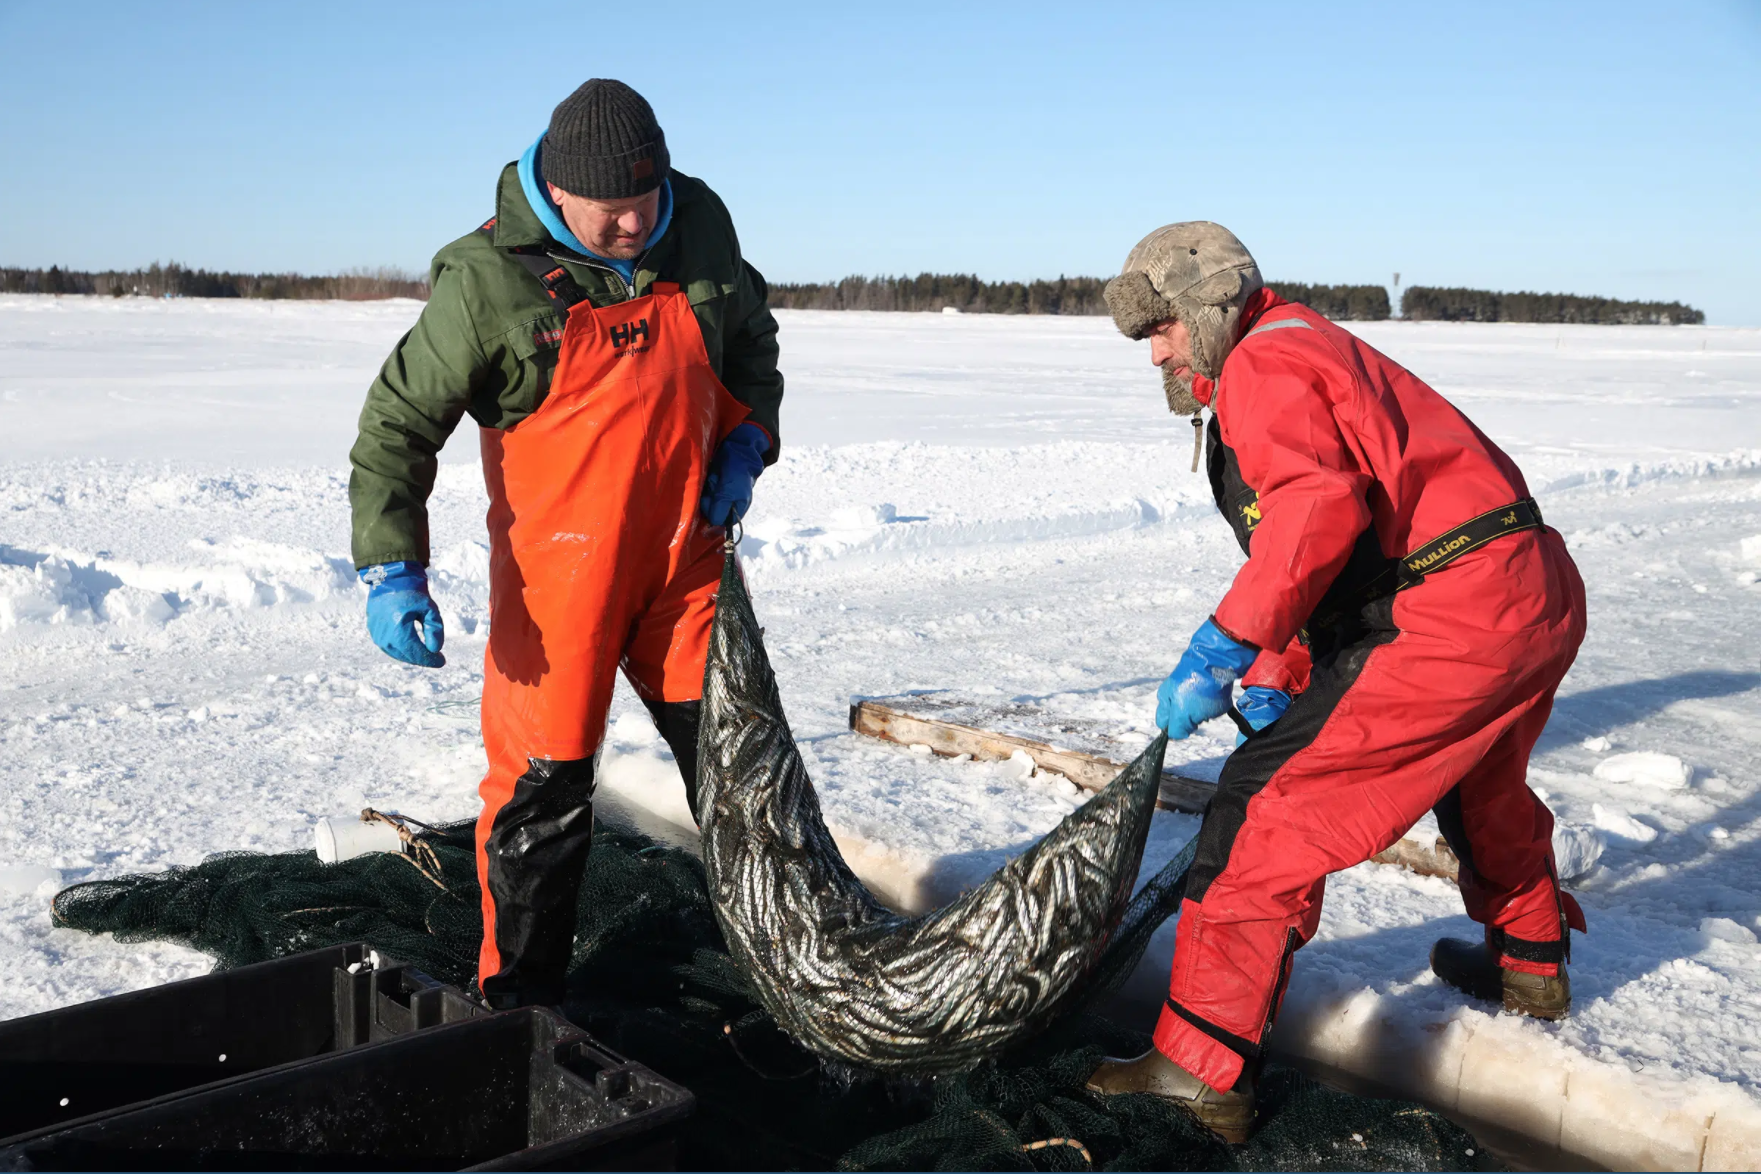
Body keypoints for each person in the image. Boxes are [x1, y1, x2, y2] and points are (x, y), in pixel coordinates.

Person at [1084, 223, 1586, 1142]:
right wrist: (1280, 664)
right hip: (1527, 592)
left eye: (1160, 326)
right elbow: (1343, 540)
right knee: (1481, 783)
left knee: (1263, 808)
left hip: (1452, 615)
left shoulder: (1261, 369)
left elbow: (1313, 512)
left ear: (1208, 305)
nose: (1151, 349)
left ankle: (1195, 1070)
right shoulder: (1305, 345)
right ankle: (1530, 960)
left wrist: (1224, 644)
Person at [347, 79, 783, 1010]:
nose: (634, 227)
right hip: (560, 589)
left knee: (742, 768)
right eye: (611, 212)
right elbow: (395, 425)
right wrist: (392, 566)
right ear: (558, 189)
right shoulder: (485, 279)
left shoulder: (698, 221)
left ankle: (786, 966)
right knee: (541, 802)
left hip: (687, 565)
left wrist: (748, 435)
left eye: (647, 202)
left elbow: (750, 336)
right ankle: (520, 1004)